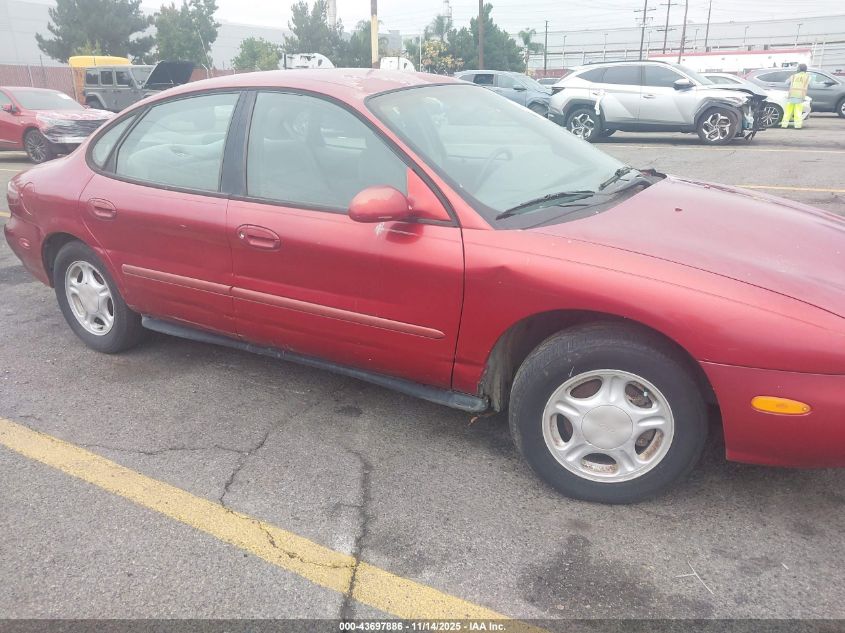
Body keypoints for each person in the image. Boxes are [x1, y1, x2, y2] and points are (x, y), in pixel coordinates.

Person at [781, 63, 810, 129]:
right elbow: (809, 85)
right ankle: (797, 126)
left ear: (799, 69)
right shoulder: (807, 77)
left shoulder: (793, 76)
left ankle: (784, 125)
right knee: (798, 112)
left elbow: (786, 82)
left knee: (788, 112)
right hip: (800, 96)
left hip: (791, 96)